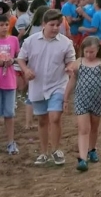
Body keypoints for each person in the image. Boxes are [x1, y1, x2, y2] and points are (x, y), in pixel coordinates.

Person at [17, 9, 76, 165]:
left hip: (58, 85)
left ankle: (56, 150)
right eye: (52, 25)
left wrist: (70, 67)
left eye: (58, 25)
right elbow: (21, 58)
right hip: (37, 86)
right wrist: (26, 70)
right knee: (42, 120)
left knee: (55, 118)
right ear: (43, 24)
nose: (56, 28)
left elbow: (71, 60)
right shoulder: (30, 41)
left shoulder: (65, 42)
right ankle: (44, 153)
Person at [64, 35, 101, 172]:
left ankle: (92, 149)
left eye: (92, 52)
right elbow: (72, 80)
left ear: (98, 49)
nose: (89, 54)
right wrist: (66, 98)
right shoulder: (79, 62)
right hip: (81, 100)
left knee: (94, 128)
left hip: (97, 101)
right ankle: (82, 157)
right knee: (83, 129)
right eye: (86, 52)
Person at [0, 14, 20, 154]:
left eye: (6, 24)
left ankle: (11, 142)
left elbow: (20, 58)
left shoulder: (14, 40)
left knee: (9, 114)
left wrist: (12, 61)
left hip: (9, 81)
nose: (4, 27)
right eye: (1, 25)